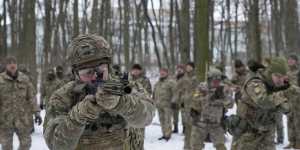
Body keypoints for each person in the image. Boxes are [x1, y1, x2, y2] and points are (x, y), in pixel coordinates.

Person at [43, 34, 155, 150]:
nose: (95, 78)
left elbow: (148, 116)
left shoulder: (125, 84)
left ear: (108, 66)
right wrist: (77, 117)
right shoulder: (63, 96)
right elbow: (55, 145)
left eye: (100, 70)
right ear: (75, 73)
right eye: (87, 72)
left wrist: (120, 102)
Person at [226, 57, 290, 150]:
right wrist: (283, 94)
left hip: (267, 132)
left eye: (282, 77)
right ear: (270, 72)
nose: (280, 80)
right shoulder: (254, 81)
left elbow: (287, 108)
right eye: (277, 76)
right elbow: (263, 101)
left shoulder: (277, 85)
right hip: (248, 133)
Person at [0, 56, 42, 150]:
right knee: (6, 146)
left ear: (16, 65)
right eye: (9, 63)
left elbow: (31, 97)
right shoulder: (1, 80)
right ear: (6, 66)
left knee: (26, 143)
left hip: (22, 118)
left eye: (14, 63)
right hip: (5, 119)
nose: (12, 65)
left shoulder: (24, 79)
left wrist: (37, 112)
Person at [190, 68, 233, 150]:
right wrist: (209, 97)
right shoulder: (202, 87)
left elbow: (230, 105)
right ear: (209, 79)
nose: (216, 83)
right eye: (214, 81)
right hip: (200, 123)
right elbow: (195, 103)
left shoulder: (223, 89)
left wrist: (223, 98)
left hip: (215, 123)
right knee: (195, 146)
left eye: (218, 80)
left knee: (220, 145)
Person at [153, 68, 176, 141]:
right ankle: (164, 133)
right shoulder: (157, 83)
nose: (162, 73)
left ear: (167, 73)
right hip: (159, 105)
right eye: (161, 72)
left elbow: (175, 92)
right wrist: (153, 101)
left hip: (168, 105)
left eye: (164, 72)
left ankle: (168, 134)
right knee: (161, 120)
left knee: (167, 120)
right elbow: (154, 93)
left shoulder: (171, 82)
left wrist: (173, 102)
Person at [285, 54, 300, 148]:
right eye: (289, 60)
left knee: (298, 122)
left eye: (292, 60)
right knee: (289, 121)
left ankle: (298, 142)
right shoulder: (286, 73)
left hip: (298, 102)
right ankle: (291, 141)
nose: (290, 61)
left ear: (296, 61)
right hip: (289, 101)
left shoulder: (299, 72)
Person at [172, 64, 186, 133]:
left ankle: (184, 128)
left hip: (183, 99)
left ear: (183, 70)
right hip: (175, 98)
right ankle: (175, 128)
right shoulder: (174, 78)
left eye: (181, 69)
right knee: (175, 114)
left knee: (184, 114)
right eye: (178, 69)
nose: (179, 70)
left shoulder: (186, 78)